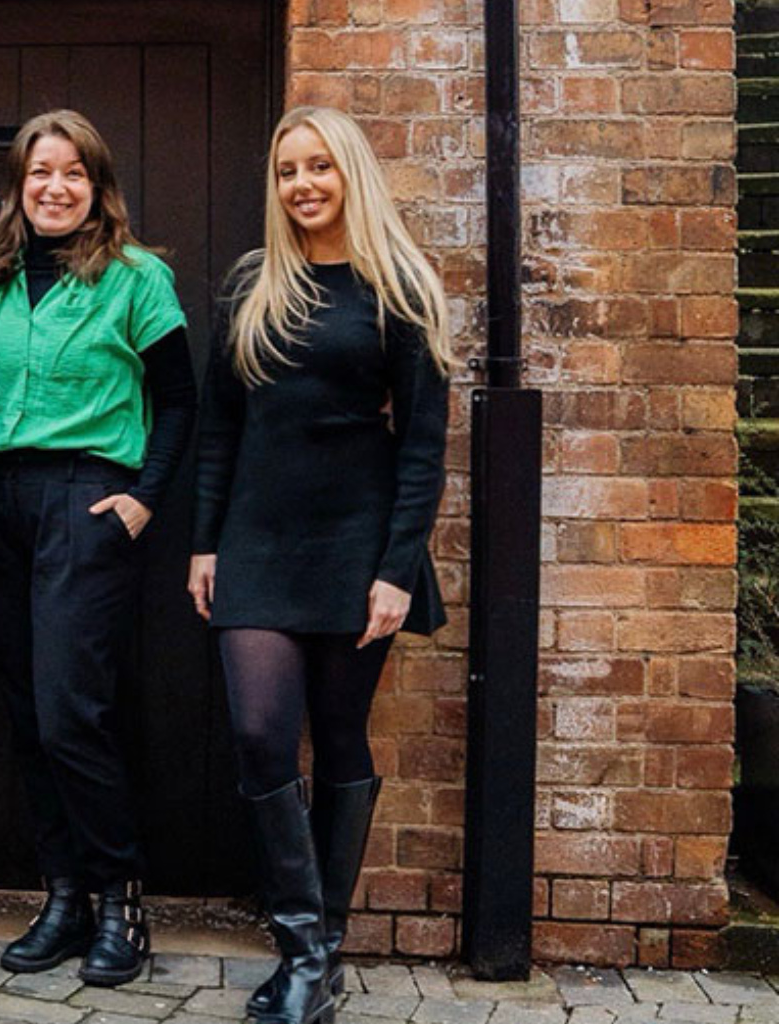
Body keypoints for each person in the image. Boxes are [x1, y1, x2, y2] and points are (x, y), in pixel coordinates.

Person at [189, 105, 455, 1024]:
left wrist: (397, 567)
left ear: (350, 173)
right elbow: (220, 425)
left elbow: (422, 446)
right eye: (287, 170)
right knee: (261, 733)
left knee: (340, 735)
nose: (302, 184)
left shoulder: (399, 287)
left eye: (318, 167)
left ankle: (316, 957)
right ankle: (305, 947)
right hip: (257, 543)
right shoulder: (251, 284)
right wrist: (205, 541)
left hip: (355, 547)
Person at [0, 109, 197, 987]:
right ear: (17, 186)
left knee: (71, 713)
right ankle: (62, 898)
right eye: (39, 173)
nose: (54, 188)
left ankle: (118, 900)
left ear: (98, 188)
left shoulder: (136, 278)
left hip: (87, 500)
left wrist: (144, 500)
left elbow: (180, 400)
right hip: (3, 502)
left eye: (73, 173)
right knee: (27, 714)